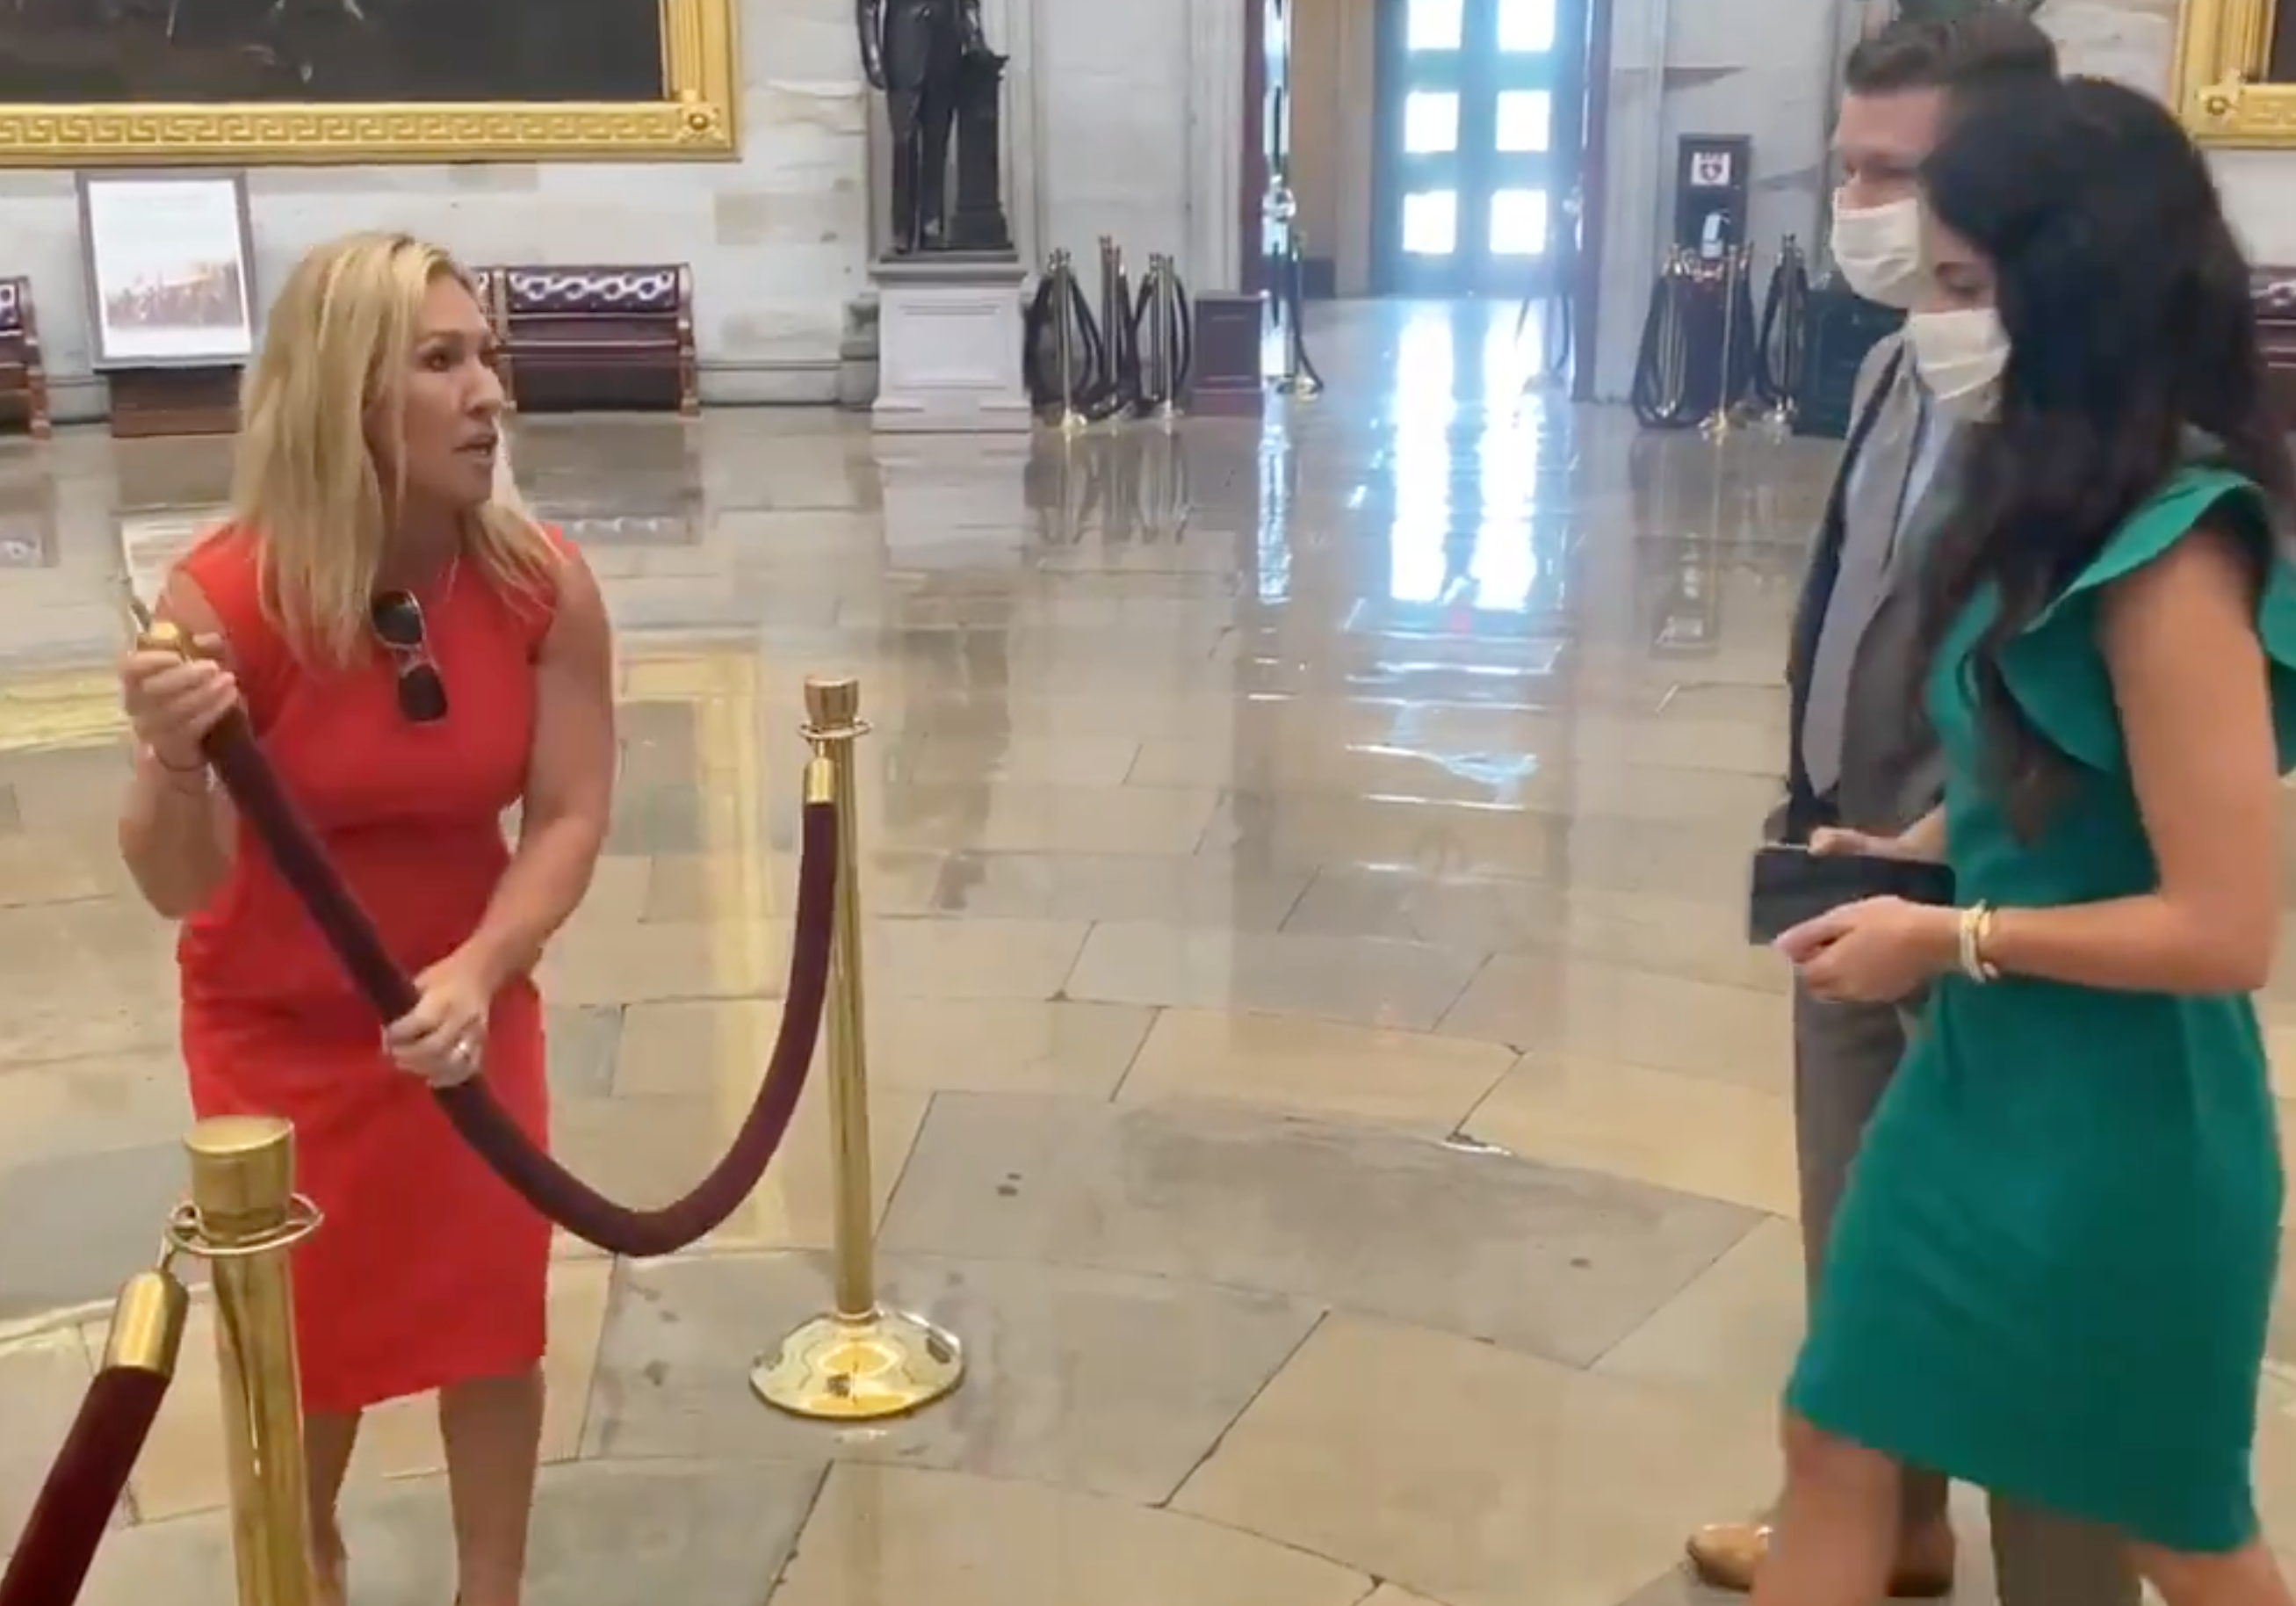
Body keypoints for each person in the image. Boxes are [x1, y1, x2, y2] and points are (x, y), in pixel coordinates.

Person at [1760, 76, 2296, 1606]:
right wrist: (1921, 844)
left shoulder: (2177, 554)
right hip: (1975, 1094)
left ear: (2077, 297)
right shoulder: (2042, 496)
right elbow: (2037, 756)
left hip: (2120, 1127)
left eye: (1964, 288)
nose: (1937, 321)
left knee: (2175, 1529)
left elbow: (2222, 926)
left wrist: (1952, 935)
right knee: (1833, 1435)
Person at [1686, 15, 2138, 1603]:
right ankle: (1889, 1522)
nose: (1860, 204)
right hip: (1845, 864)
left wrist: (1951, 871)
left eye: (1899, 172)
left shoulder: (2091, 427)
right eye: (1848, 164)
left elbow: (2098, 725)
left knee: (2016, 1305)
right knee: (1858, 1247)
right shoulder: (1889, 362)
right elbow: (1864, 601)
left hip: (1993, 907)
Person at [114, 231, 616, 1606]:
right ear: (345, 395)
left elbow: (567, 813)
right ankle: (303, 1570)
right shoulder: (228, 601)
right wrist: (170, 759)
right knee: (306, 1357)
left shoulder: (537, 585)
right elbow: (174, 882)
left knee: (490, 1321)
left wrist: (483, 967)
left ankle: (489, 1591)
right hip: (280, 1051)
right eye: (442, 362)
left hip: (465, 1015)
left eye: (489, 357)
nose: (489, 394)